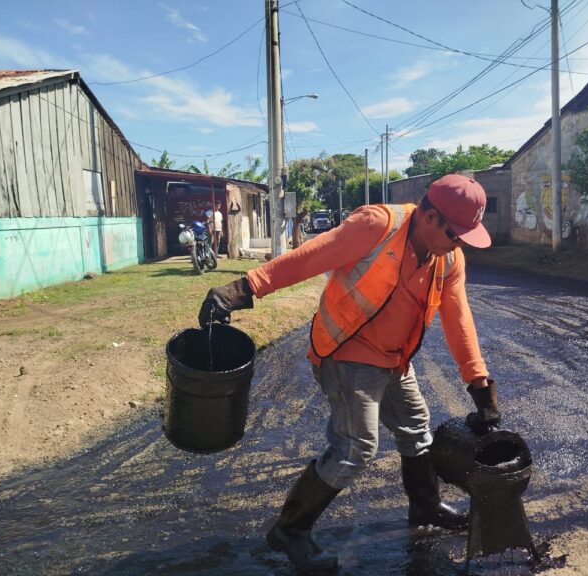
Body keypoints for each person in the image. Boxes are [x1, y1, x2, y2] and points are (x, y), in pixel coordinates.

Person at [198, 174, 501, 573]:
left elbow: (459, 318)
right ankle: (290, 530)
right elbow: (310, 257)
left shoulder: (449, 258)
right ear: (429, 217)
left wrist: (479, 385)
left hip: (394, 359)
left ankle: (425, 507)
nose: (459, 242)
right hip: (347, 352)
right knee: (357, 446)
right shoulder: (377, 225)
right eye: (455, 233)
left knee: (416, 427)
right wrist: (241, 289)